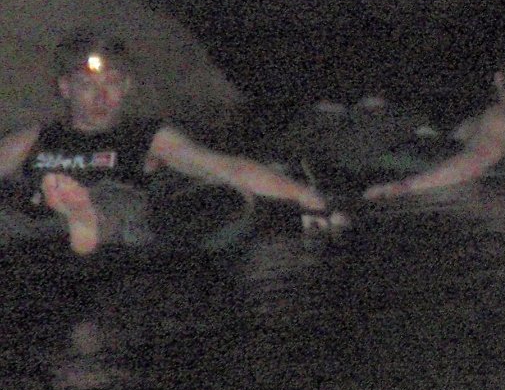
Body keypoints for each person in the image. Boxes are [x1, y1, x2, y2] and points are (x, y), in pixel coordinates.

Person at [0, 33, 341, 256]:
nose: (101, 96)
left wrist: (305, 196)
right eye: (88, 85)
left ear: (126, 87)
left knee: (121, 199)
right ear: (65, 88)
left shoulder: (147, 136)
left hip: (118, 227)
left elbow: (227, 167)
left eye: (112, 84)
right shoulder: (33, 139)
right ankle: (74, 221)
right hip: (43, 228)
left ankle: (88, 222)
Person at [362, 50, 505, 200]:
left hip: (452, 164)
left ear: (498, 80)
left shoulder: (500, 118)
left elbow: (475, 160)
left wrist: (403, 187)